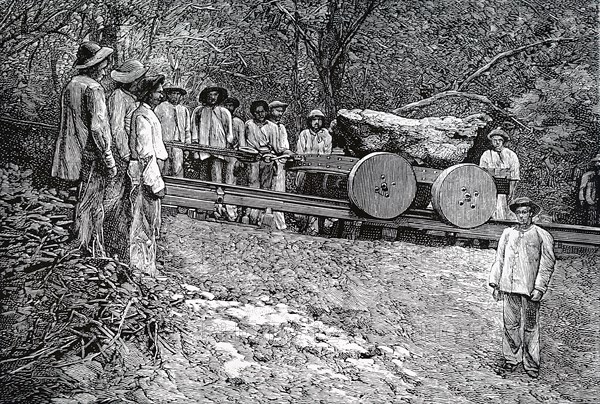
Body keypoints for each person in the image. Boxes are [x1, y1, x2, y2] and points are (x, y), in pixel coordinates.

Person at [51, 41, 117, 257]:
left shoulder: (71, 85)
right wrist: (108, 158)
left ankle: (91, 245)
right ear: (95, 65)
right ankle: (83, 245)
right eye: (103, 64)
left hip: (74, 152)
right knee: (91, 200)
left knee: (85, 196)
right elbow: (98, 129)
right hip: (92, 152)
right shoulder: (94, 88)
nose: (105, 68)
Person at [489, 197, 556, 378]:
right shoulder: (507, 233)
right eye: (518, 212)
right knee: (510, 325)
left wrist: (540, 288)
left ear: (531, 214)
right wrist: (496, 283)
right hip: (509, 287)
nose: (521, 216)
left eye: (525, 212)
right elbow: (500, 259)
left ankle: (531, 364)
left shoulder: (542, 235)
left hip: (529, 290)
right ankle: (511, 359)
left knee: (530, 328)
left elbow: (547, 263)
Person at [104, 59, 148, 261]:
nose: (142, 82)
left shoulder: (130, 98)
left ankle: (119, 248)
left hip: (129, 156)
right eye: (139, 79)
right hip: (121, 155)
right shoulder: (118, 97)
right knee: (113, 199)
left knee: (125, 203)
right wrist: (125, 154)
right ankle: (106, 244)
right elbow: (116, 129)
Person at [128, 75, 168, 276]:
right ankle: (140, 266)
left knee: (151, 221)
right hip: (146, 174)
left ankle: (147, 265)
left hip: (152, 171)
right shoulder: (142, 115)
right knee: (143, 220)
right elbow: (145, 152)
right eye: (158, 91)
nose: (161, 95)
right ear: (148, 93)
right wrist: (154, 180)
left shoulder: (148, 113)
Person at [295, 109, 332, 234]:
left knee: (318, 197)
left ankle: (315, 227)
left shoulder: (326, 134)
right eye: (314, 120)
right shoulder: (304, 134)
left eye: (319, 120)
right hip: (306, 170)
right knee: (304, 195)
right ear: (310, 121)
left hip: (319, 171)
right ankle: (303, 224)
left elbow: (327, 153)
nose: (316, 123)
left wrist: (321, 142)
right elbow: (300, 151)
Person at [190, 86, 233, 182]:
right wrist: (195, 145)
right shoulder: (199, 111)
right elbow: (194, 128)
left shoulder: (224, 112)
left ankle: (218, 194)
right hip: (203, 148)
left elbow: (229, 132)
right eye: (210, 95)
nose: (212, 97)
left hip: (218, 149)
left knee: (217, 175)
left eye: (215, 94)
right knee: (203, 176)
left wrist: (227, 146)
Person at [479, 127, 520, 220]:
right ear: (491, 141)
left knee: (501, 208)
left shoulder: (511, 155)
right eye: (494, 140)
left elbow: (514, 175)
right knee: (489, 209)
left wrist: (511, 190)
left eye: (499, 140)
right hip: (489, 186)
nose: (497, 143)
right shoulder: (486, 154)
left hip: (504, 186)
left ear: (503, 141)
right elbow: (482, 172)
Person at [154, 83, 191, 177]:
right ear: (168, 95)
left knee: (178, 168)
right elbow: (155, 126)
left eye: (178, 94)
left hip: (179, 144)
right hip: (164, 143)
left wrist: (187, 147)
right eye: (173, 93)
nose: (175, 96)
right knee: (164, 169)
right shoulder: (160, 107)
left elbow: (187, 129)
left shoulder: (183, 110)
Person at [267, 100, 293, 230]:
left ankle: (279, 222)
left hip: (281, 162)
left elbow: (284, 146)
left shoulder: (281, 127)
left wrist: (287, 152)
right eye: (278, 110)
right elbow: (275, 147)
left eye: (282, 111)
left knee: (279, 190)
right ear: (271, 111)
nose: (280, 113)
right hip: (270, 161)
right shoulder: (267, 126)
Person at [578, 153, 600, 226]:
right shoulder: (587, 175)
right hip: (590, 199)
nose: (598, 164)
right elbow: (582, 188)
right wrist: (581, 198)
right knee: (591, 218)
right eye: (597, 162)